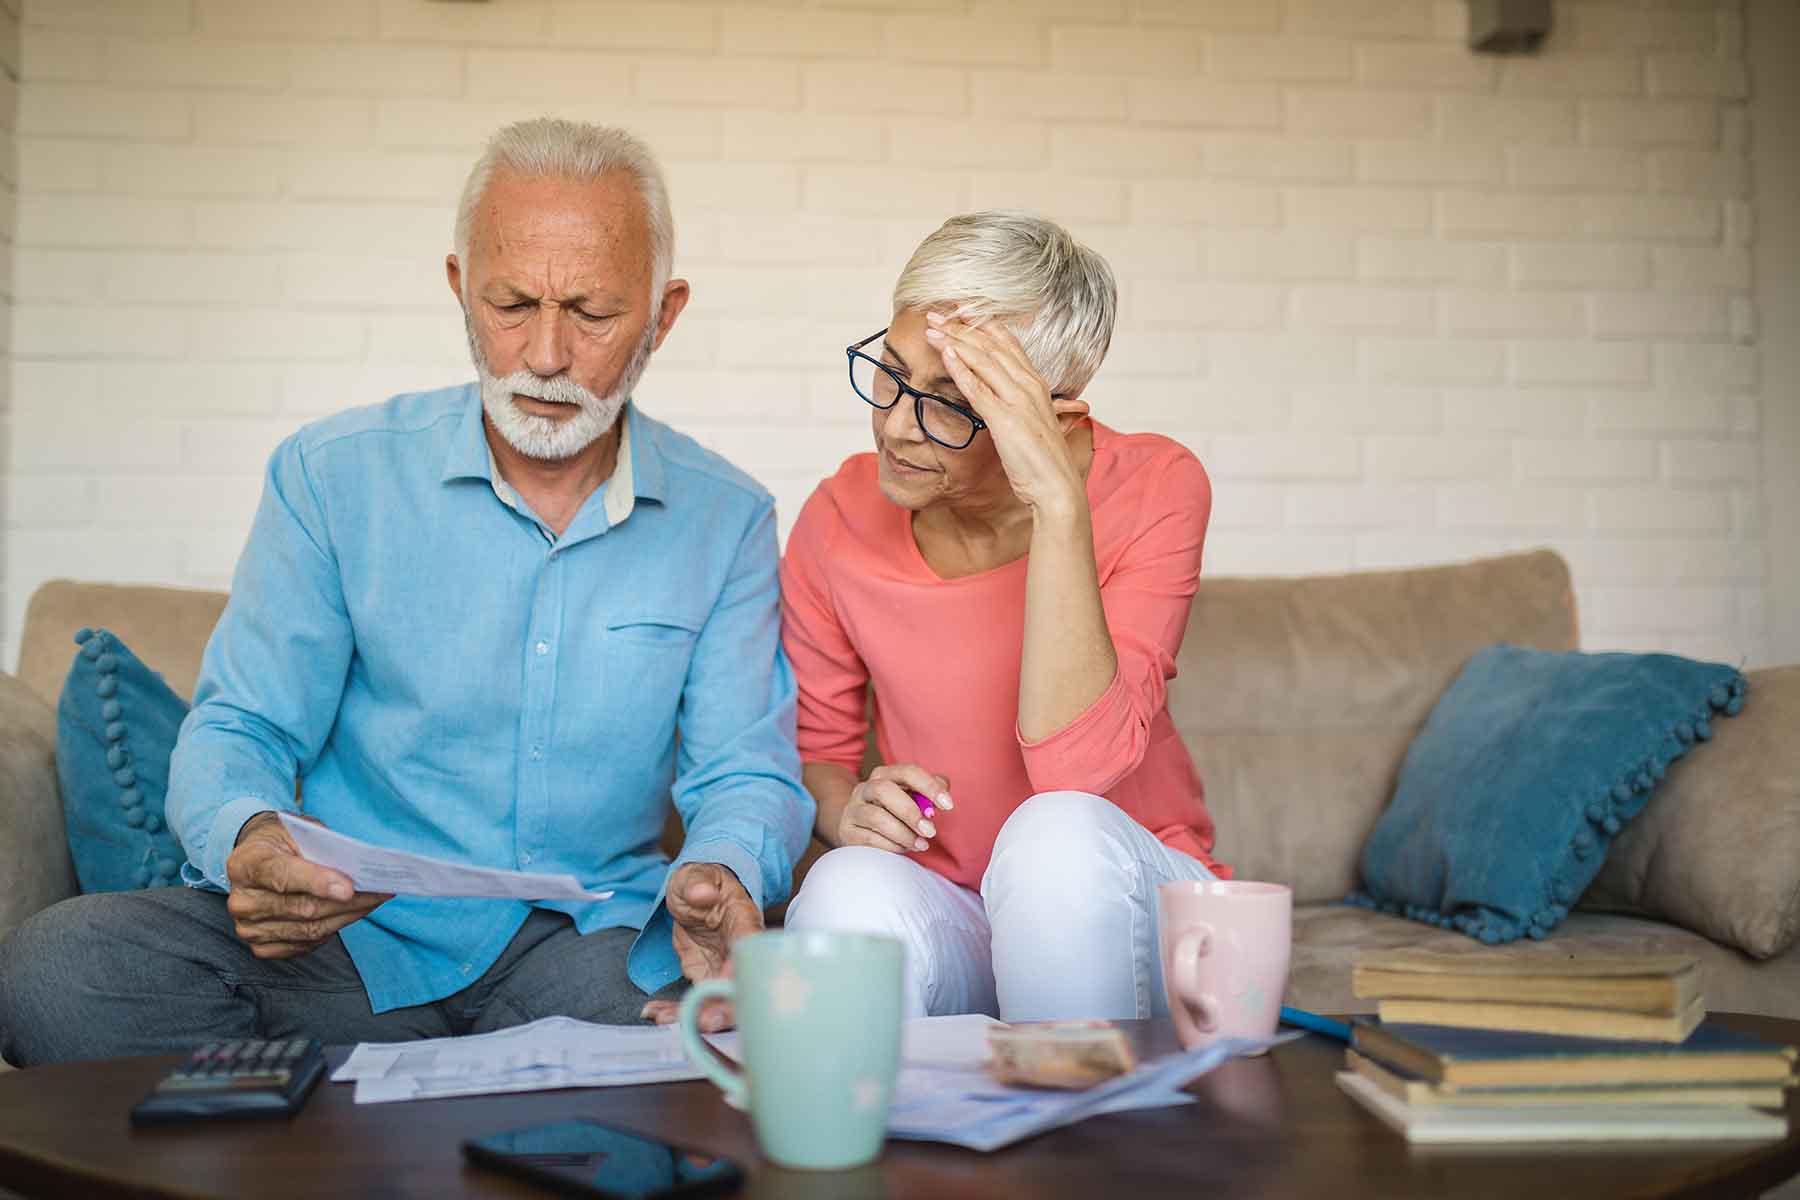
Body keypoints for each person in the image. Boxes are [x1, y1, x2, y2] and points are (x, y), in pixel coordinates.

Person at [0, 119, 813, 1066]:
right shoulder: (330, 476)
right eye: (512, 304)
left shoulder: (729, 517)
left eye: (591, 314)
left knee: (714, 1033)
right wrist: (250, 835)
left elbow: (743, 773)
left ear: (663, 316)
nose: (545, 355)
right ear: (461, 287)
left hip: (585, 957)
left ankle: (332, 1113)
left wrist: (723, 867)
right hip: (346, 945)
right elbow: (245, 727)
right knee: (57, 971)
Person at [777, 212, 1228, 1022]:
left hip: (1133, 905)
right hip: (961, 906)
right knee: (844, 886)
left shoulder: (1157, 484)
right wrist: (850, 809)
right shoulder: (838, 515)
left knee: (1054, 839)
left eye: (953, 404)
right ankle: (895, 1141)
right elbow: (820, 755)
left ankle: (1077, 1138)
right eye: (890, 373)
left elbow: (1076, 774)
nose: (895, 425)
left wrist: (1056, 501)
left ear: (1052, 419)